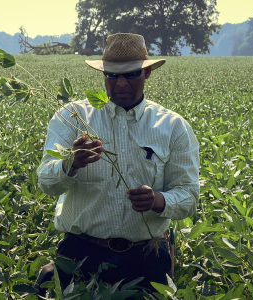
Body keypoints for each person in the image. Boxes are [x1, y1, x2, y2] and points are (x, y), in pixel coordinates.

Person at [36, 33, 200, 292]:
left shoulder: (173, 126)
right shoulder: (72, 117)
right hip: (81, 253)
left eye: (131, 74)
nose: (121, 82)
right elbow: (46, 181)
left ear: (147, 73)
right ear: (104, 75)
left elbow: (190, 196)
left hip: (146, 256)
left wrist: (159, 201)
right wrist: (71, 164)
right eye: (112, 75)